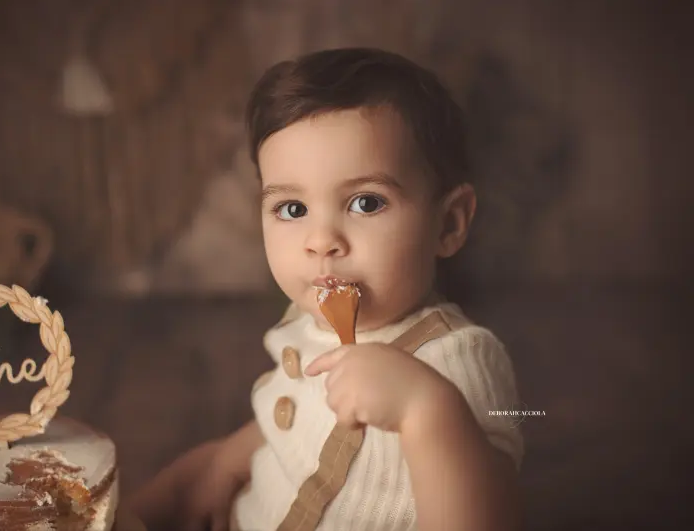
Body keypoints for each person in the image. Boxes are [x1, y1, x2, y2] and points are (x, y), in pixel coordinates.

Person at [127, 47, 524, 531]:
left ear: (448, 224)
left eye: (365, 202)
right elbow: (302, 420)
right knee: (188, 475)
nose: (321, 242)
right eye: (292, 209)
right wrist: (228, 460)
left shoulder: (457, 358)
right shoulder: (306, 320)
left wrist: (426, 409)